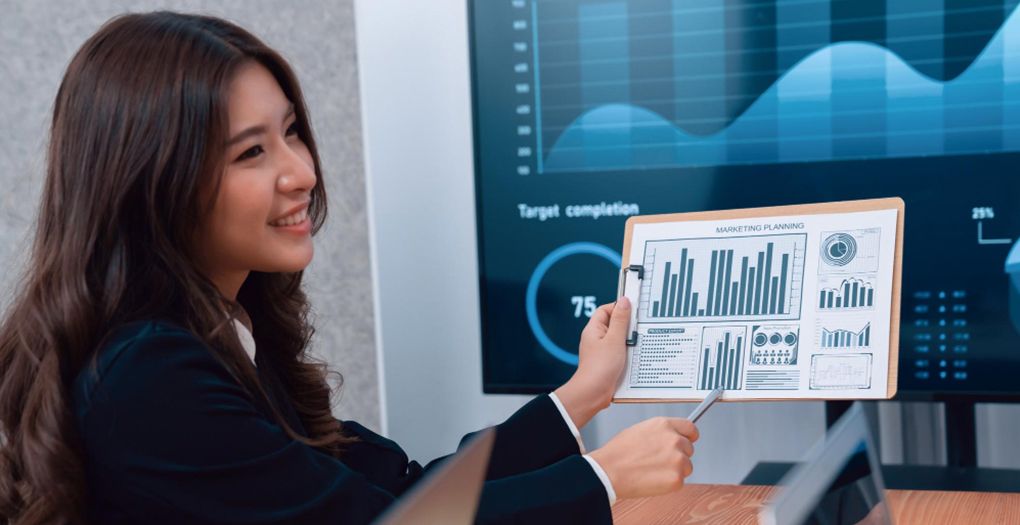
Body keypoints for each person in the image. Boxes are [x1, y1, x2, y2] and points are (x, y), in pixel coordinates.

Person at [0, 12, 699, 525]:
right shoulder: (146, 374)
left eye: (292, 131)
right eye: (251, 153)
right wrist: (603, 479)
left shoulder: (222, 336)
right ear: (153, 182)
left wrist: (582, 393)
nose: (301, 172)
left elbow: (402, 495)